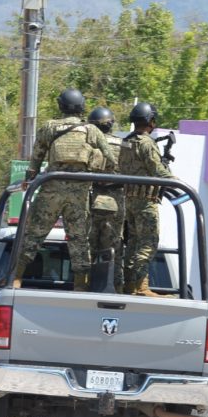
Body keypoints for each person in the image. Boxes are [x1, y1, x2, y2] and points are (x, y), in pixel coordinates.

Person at [14, 88, 117, 292]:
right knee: (79, 239)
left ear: (60, 106)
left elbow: (36, 158)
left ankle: (15, 278)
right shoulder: (91, 130)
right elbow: (111, 160)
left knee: (33, 234)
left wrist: (29, 178)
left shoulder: (50, 127)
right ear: (81, 107)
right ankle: (80, 285)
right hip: (78, 194)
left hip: (51, 190)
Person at [118, 102, 175, 296]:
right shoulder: (147, 143)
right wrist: (177, 182)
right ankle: (141, 287)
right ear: (150, 121)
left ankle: (129, 285)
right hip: (145, 201)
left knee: (133, 244)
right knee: (148, 243)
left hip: (129, 201)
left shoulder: (126, 141)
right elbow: (157, 171)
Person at [87, 107, 126, 292]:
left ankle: (85, 284)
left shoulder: (87, 143)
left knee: (87, 245)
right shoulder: (124, 145)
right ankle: (116, 287)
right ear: (111, 124)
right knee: (114, 247)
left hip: (90, 197)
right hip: (116, 200)